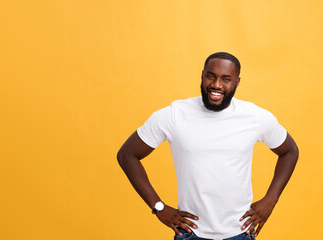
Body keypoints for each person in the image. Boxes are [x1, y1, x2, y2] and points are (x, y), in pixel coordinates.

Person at [117, 52, 299, 240]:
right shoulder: (174, 115)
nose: (216, 85)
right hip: (191, 233)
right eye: (210, 76)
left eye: (226, 79)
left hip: (239, 232)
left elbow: (290, 151)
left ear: (237, 82)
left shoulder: (255, 117)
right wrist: (158, 207)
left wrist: (271, 199)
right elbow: (127, 155)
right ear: (202, 76)